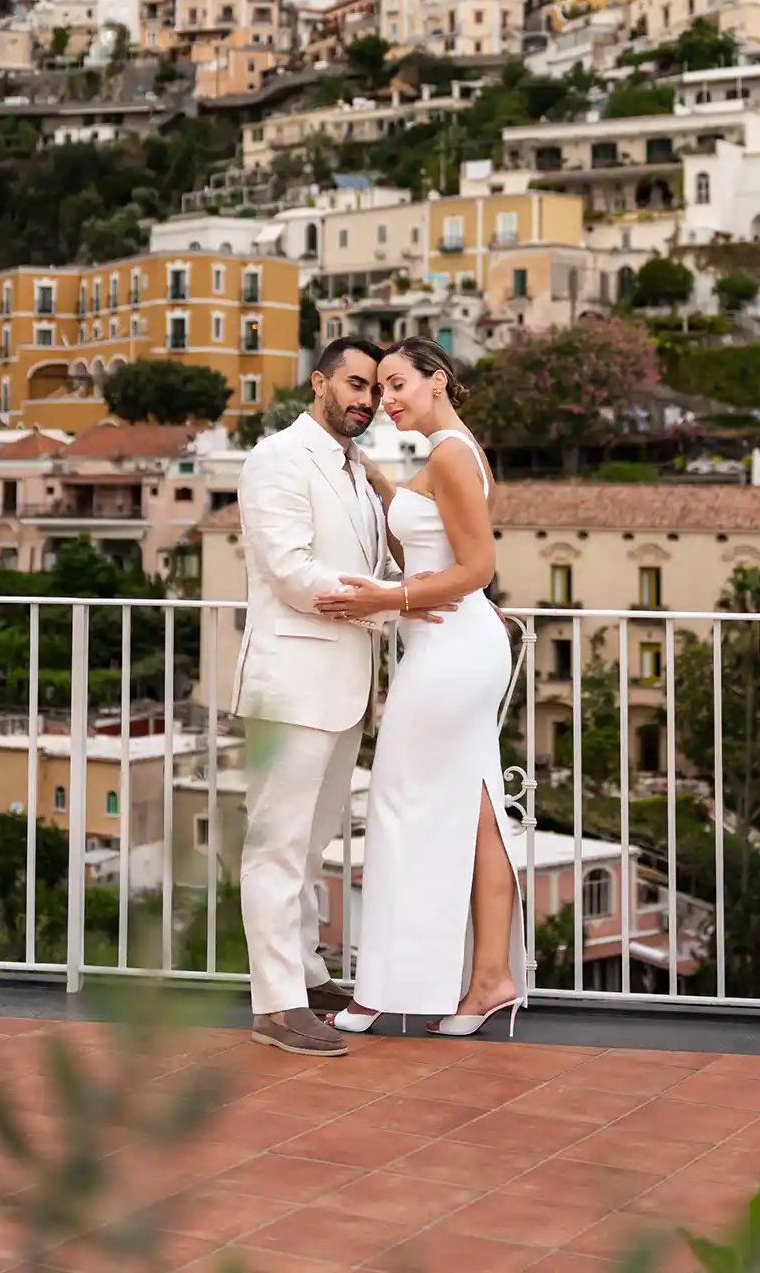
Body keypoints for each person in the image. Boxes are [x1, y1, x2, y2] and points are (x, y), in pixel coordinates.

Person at [232, 336, 447, 1057]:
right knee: (275, 846)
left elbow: (378, 560)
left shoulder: (357, 469)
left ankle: (303, 975)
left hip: (344, 686)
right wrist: (392, 604)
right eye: (355, 384)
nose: (367, 400)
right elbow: (292, 572)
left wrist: (419, 591)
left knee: (311, 843)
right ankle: (275, 1006)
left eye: (375, 389)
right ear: (319, 383)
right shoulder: (277, 458)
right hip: (291, 685)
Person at [314, 336, 526, 1039]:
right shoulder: (448, 455)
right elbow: (435, 544)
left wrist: (389, 598)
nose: (386, 400)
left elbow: (477, 567)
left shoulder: (451, 456)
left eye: (398, 383)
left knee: (399, 809)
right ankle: (490, 978)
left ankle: (380, 990)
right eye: (379, 388)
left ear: (437, 380)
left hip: (450, 650)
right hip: (454, 643)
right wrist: (377, 482)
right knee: (478, 811)